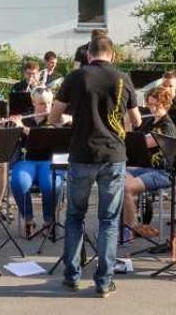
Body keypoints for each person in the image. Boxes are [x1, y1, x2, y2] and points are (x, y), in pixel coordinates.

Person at [49, 34, 141, 297]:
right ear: (112, 55)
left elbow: (55, 116)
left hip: (81, 154)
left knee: (75, 216)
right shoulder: (123, 78)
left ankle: (72, 276)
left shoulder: (75, 77)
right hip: (113, 157)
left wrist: (73, 119)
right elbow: (135, 121)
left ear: (88, 55)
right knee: (109, 220)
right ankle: (103, 281)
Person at [10, 87, 70, 237]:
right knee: (18, 181)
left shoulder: (55, 118)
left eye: (50, 103)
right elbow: (10, 141)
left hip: (49, 161)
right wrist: (8, 126)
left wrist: (70, 118)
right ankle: (28, 219)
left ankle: (49, 221)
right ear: (33, 102)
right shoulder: (24, 118)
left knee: (50, 184)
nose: (47, 107)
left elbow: (41, 135)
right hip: (27, 161)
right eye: (42, 103)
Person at [122, 86, 176, 238]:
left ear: (165, 104)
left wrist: (126, 134)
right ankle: (127, 225)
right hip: (145, 168)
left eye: (155, 105)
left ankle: (132, 227)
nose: (151, 108)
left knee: (126, 188)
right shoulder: (149, 122)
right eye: (149, 104)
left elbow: (144, 142)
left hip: (162, 172)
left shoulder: (167, 126)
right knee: (115, 175)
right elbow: (132, 140)